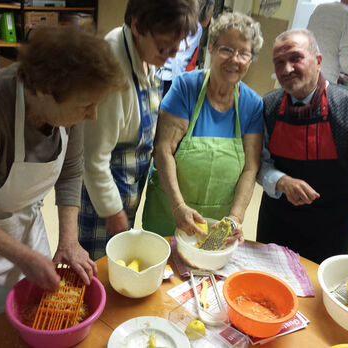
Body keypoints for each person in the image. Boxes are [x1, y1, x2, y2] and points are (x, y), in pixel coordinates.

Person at [0, 26, 124, 334]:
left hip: (27, 234)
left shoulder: (67, 106)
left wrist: (69, 241)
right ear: (44, 92)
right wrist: (23, 257)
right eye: (86, 106)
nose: (93, 115)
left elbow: (71, 171)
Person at [256, 29, 348, 270]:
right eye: (279, 62)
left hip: (329, 230)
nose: (286, 69)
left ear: (318, 61)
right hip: (275, 223)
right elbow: (259, 164)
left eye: (295, 58)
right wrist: (281, 181)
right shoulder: (268, 106)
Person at [78, 0, 198, 260]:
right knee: (99, 265)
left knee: (120, 257)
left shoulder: (145, 52)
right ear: (136, 24)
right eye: (164, 47)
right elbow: (93, 158)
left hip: (129, 184)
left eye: (176, 47)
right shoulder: (111, 73)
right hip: (104, 188)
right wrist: (112, 210)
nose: (171, 55)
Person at [142, 12, 264, 240]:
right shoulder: (186, 88)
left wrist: (235, 218)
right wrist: (178, 207)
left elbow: (250, 167)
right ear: (211, 48)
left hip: (218, 223)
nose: (235, 59)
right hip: (168, 211)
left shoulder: (252, 104)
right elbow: (163, 150)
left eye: (244, 53)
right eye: (227, 49)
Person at [158, 0, 215, 97]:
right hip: (170, 79)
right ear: (204, 11)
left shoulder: (187, 22)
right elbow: (179, 58)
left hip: (163, 75)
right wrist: (177, 88)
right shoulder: (196, 28)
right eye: (211, 11)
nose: (211, 15)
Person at [307, 0, 348, 84]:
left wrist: (338, 75)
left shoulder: (321, 8)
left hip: (305, 70)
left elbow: (308, 39)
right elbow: (346, 62)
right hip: (323, 80)